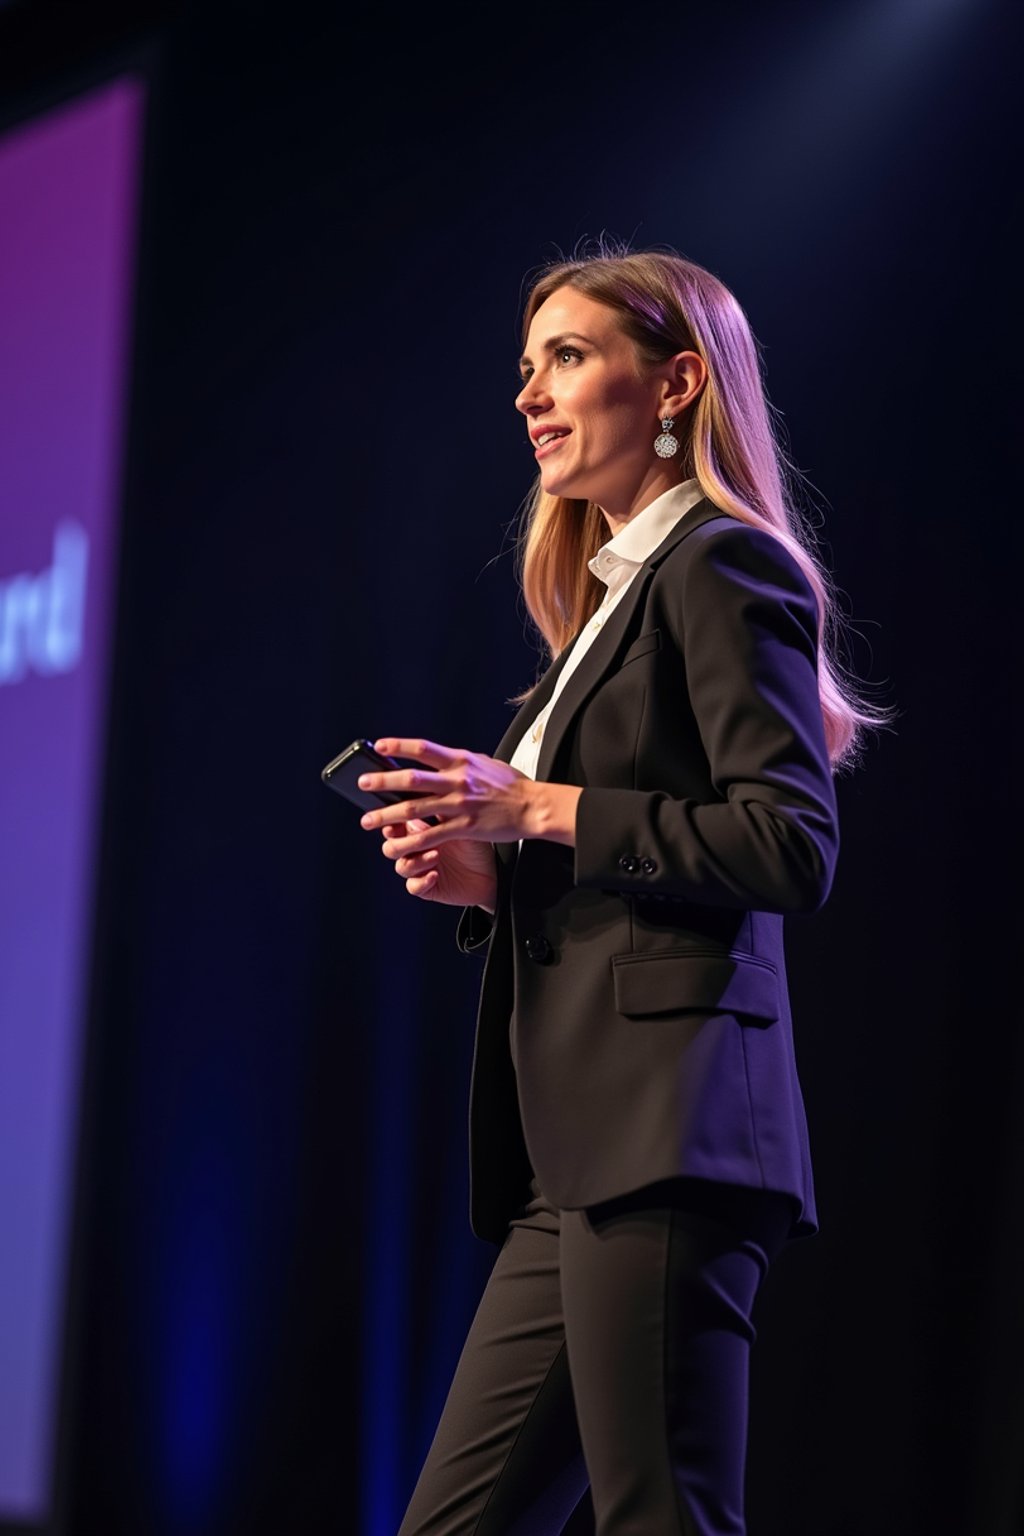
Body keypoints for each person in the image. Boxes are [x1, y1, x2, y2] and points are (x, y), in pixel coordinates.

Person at [356, 247, 887, 1535]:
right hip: (578, 1157)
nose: (532, 396)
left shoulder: (719, 564)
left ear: (676, 385)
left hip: (668, 1129)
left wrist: (537, 807)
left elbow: (786, 844)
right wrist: (493, 872)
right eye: (527, 370)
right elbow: (622, 856)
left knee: (665, 1515)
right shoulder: (599, 608)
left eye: (571, 358)